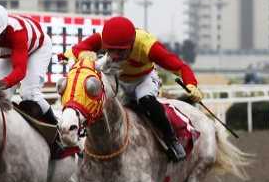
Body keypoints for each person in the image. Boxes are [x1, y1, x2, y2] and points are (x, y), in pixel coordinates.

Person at [65, 16, 204, 162]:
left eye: (121, 51)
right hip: (119, 79)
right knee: (98, 104)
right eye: (110, 50)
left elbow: (180, 67)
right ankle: (82, 141)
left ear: (132, 44)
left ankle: (172, 140)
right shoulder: (102, 37)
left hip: (144, 79)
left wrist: (191, 84)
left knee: (146, 101)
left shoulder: (148, 45)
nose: (115, 56)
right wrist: (80, 53)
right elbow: (76, 49)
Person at [0, 2, 66, 155]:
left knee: (29, 94)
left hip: (36, 48)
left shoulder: (16, 33)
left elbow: (20, 71)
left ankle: (58, 137)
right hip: (11, 53)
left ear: (3, 31)